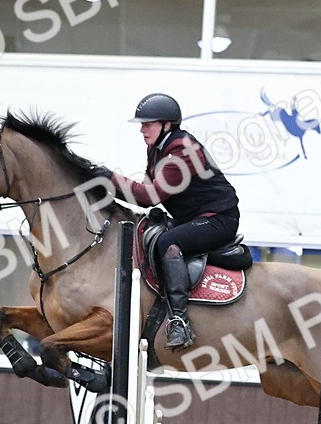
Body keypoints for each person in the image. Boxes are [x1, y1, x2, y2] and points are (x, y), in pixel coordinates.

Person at [91, 93, 240, 352]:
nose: (142, 129)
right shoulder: (157, 148)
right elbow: (145, 195)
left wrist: (111, 179)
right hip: (193, 218)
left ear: (167, 125)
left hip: (219, 220)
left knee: (168, 242)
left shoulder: (182, 151)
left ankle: (179, 321)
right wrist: (108, 187)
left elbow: (151, 196)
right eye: (142, 124)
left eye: (147, 124)